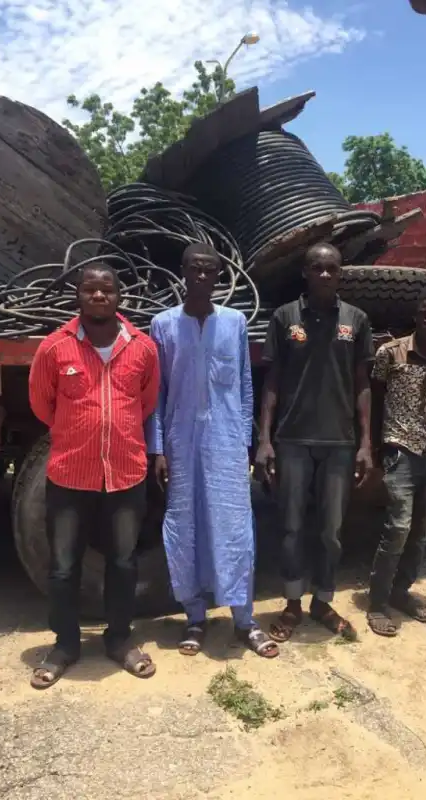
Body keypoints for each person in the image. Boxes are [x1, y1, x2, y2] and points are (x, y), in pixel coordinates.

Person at [28, 262, 160, 688]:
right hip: (70, 475)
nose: (99, 296)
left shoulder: (142, 347)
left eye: (107, 290)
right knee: (64, 567)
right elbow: (42, 405)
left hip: (125, 475)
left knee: (122, 562)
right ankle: (65, 644)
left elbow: (146, 402)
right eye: (90, 290)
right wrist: (80, 434)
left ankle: (119, 639)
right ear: (78, 296)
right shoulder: (54, 348)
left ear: (120, 297)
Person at [147, 242, 278, 659]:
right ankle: (195, 618)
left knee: (234, 528)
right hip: (180, 440)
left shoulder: (235, 322)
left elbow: (243, 385)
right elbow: (156, 394)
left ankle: (245, 620)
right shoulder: (162, 325)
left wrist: (245, 443)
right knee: (185, 527)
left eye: (209, 271)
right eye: (195, 269)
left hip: (225, 442)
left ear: (219, 277)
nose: (202, 276)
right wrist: (158, 449)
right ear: (182, 272)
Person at [255, 242, 374, 643]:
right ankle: (291, 604)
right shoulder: (284, 317)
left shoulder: (356, 320)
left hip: (339, 443)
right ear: (305, 272)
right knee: (290, 527)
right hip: (291, 440)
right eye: (317, 267)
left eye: (332, 268)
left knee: (331, 530)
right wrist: (264, 440)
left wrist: (365, 443)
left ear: (341, 273)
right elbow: (271, 382)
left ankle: (322, 602)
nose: (325, 274)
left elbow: (362, 385)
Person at [367, 287, 426, 637]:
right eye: (422, 312)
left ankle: (401, 592)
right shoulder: (390, 354)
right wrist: (377, 444)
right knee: (398, 527)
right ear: (415, 316)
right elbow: (376, 397)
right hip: (399, 447)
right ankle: (377, 604)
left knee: (421, 530)